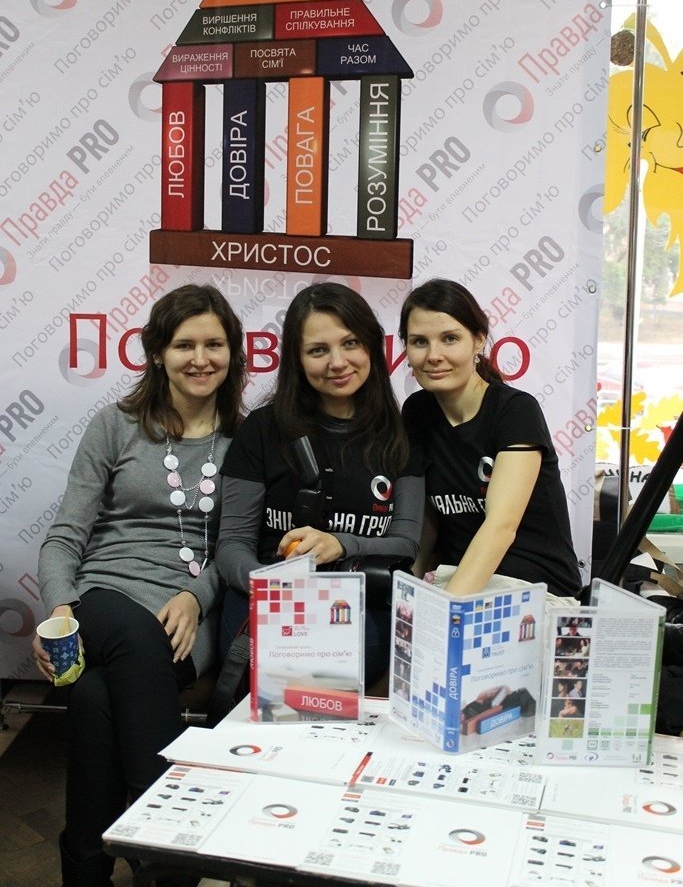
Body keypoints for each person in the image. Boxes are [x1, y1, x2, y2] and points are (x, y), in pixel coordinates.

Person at [32, 284, 246, 887]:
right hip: (104, 597)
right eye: (184, 345)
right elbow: (64, 537)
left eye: (214, 344)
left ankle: (85, 865)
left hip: (189, 615)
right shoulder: (116, 426)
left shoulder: (247, 440)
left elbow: (239, 548)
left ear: (233, 353)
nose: (200, 358)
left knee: (96, 698)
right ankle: (166, 849)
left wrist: (197, 596)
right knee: (131, 635)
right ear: (157, 353)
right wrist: (60, 610)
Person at [215, 281, 423, 690]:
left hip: (359, 606)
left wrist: (340, 544)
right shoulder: (262, 429)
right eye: (318, 350)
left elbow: (405, 544)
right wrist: (272, 587)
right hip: (266, 601)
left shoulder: (401, 437)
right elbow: (232, 545)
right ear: (297, 359)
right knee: (279, 682)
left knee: (325, 683)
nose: (337, 362)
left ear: (371, 346)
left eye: (350, 343)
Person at [399, 278, 581, 601]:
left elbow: (501, 527)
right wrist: (406, 593)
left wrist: (445, 611)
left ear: (479, 341)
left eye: (450, 339)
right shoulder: (416, 411)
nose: (434, 355)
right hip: (460, 583)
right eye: (419, 342)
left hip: (536, 590)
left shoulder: (515, 410)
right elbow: (428, 522)